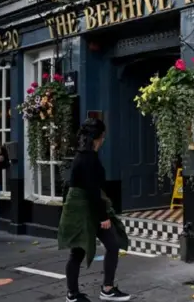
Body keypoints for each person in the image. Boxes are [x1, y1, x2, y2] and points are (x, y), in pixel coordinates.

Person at [57, 118, 131, 302]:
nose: (104, 139)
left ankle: (106, 289)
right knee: (79, 251)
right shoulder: (87, 158)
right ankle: (73, 294)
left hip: (88, 207)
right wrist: (103, 217)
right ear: (98, 137)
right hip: (86, 210)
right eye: (103, 135)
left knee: (111, 245)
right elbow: (91, 190)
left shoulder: (86, 154)